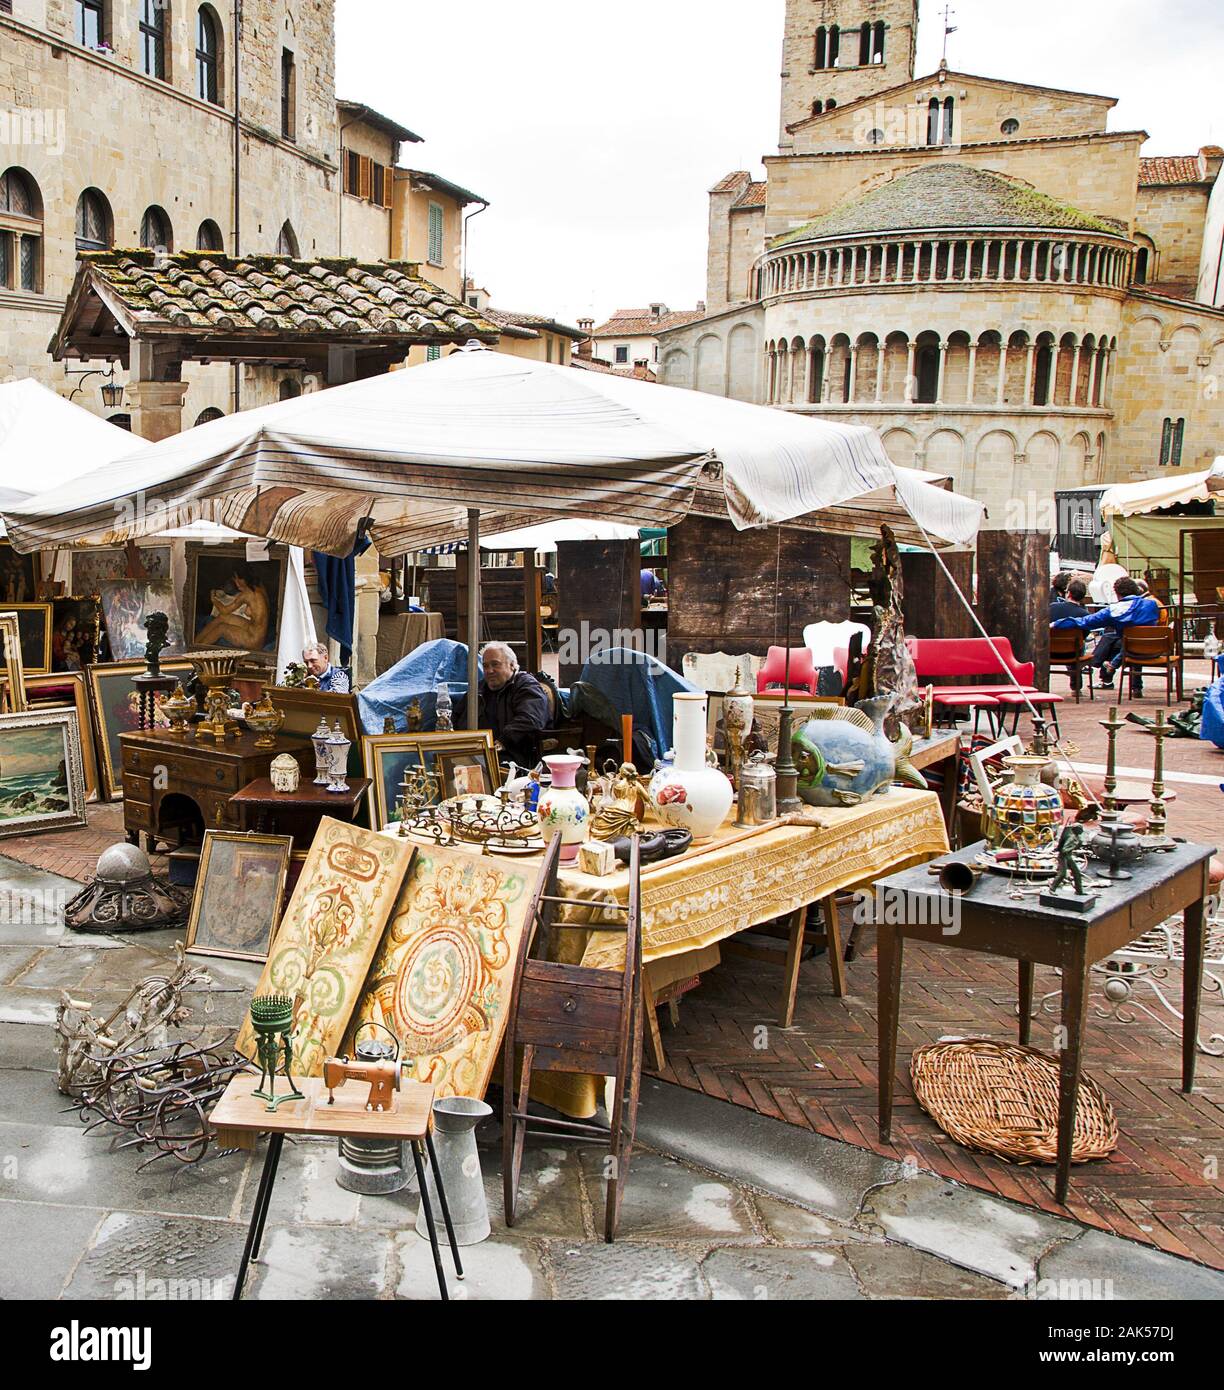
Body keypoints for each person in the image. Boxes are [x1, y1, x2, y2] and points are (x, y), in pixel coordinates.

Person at [1051, 576, 1160, 694]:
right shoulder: (1152, 605)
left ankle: (1102, 667)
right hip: (1153, 650)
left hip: (1130, 649)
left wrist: (1056, 623)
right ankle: (1134, 685)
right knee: (1132, 638)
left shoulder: (1113, 610)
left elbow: (1084, 622)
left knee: (1115, 639)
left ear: (1117, 593)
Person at [458, 640, 550, 768]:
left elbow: (531, 719)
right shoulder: (479, 689)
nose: (489, 670)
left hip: (512, 757)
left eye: (495, 664)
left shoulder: (526, 685)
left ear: (512, 665)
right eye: (485, 666)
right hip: (475, 753)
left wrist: (503, 741)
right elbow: (458, 716)